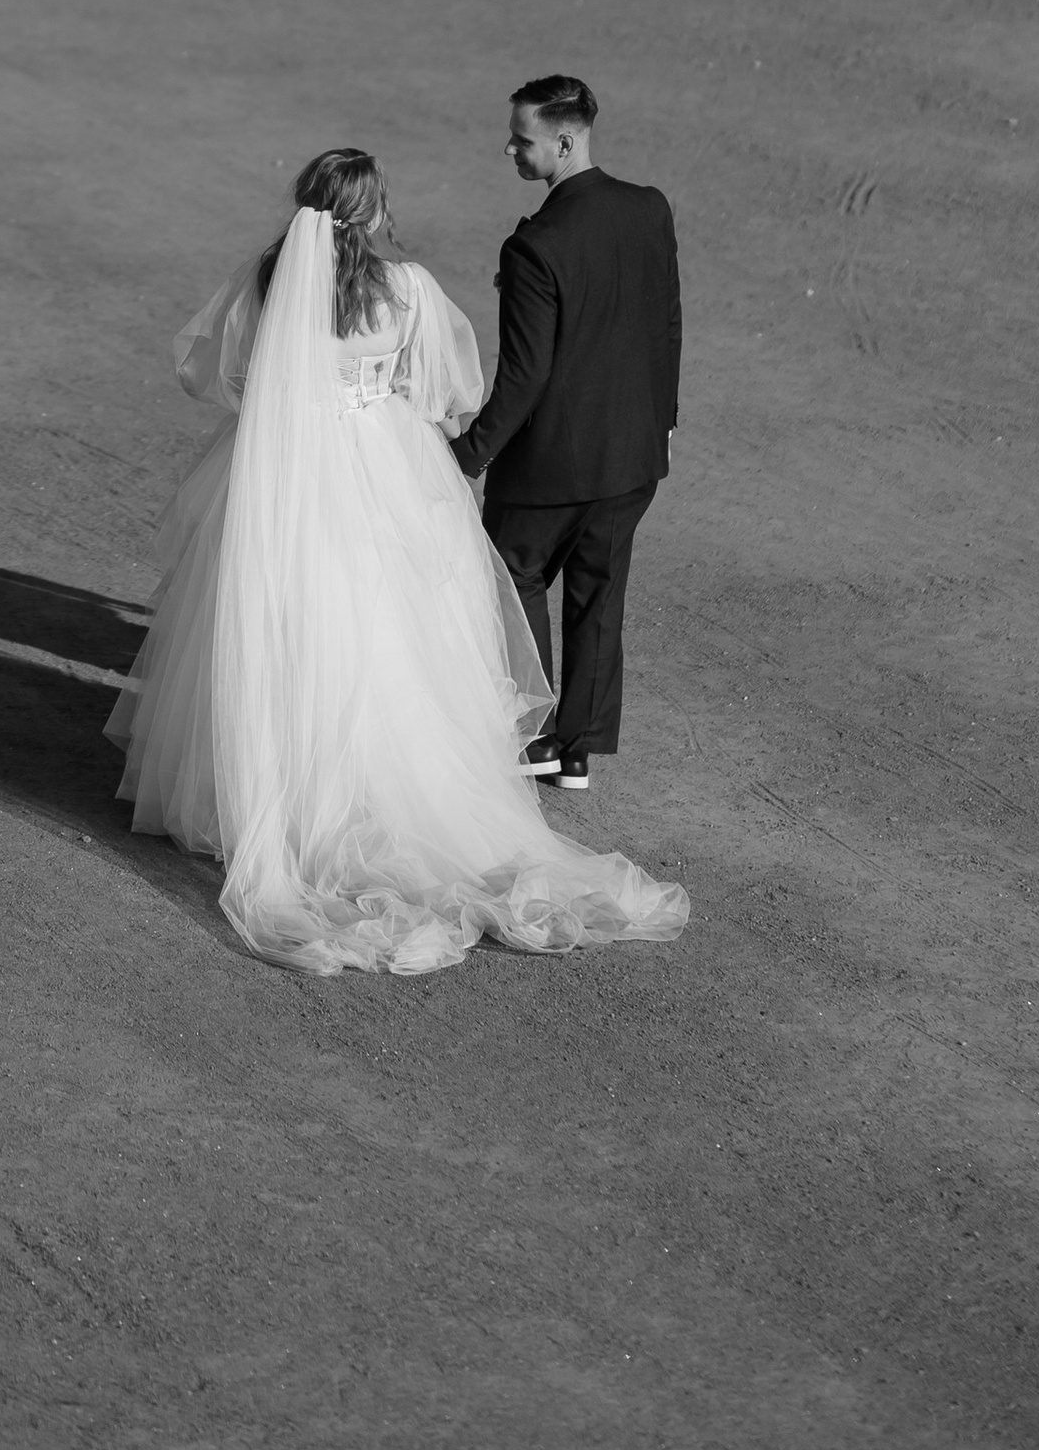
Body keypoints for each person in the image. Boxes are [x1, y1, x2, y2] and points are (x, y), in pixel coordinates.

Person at [108, 146, 687, 974]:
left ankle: (291, 798)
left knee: (289, 622)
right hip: (386, 466)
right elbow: (450, 385)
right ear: (374, 211)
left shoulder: (269, 284)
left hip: (290, 471)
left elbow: (214, 372)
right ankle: (392, 787)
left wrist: (287, 404)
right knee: (397, 627)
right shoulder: (405, 289)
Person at [451, 75, 680, 798]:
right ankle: (576, 751)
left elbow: (523, 378)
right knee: (598, 596)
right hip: (633, 453)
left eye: (521, 138)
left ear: (564, 140)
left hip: (552, 465)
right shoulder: (649, 210)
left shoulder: (535, 247)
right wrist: (663, 424)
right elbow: (665, 325)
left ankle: (536, 732)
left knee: (512, 577)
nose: (510, 149)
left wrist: (466, 454)